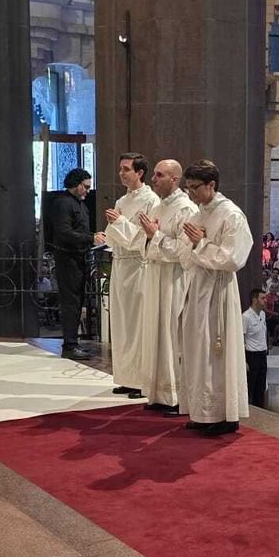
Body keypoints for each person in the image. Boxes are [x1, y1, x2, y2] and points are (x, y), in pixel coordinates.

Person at [156, 159, 252, 436]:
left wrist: (201, 243)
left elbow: (234, 258)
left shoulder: (231, 215)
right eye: (188, 188)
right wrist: (194, 246)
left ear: (212, 185)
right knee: (196, 352)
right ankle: (202, 411)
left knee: (215, 353)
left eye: (195, 187)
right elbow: (184, 255)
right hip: (196, 287)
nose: (191, 193)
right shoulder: (198, 215)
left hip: (218, 292)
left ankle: (224, 416)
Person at [136, 159, 199, 413]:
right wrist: (149, 238)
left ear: (175, 179)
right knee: (155, 333)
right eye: (154, 174)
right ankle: (158, 394)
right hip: (155, 276)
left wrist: (155, 236)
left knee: (172, 336)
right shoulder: (157, 206)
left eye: (159, 175)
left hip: (174, 279)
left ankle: (176, 397)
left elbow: (183, 251)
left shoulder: (187, 209)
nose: (153, 179)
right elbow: (145, 242)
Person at [97, 153, 157, 398]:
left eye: (126, 169)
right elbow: (115, 236)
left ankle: (142, 382)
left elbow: (144, 238)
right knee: (121, 325)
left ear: (139, 173)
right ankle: (127, 377)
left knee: (138, 325)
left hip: (138, 266)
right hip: (120, 265)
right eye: (120, 168)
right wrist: (106, 233)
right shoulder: (122, 200)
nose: (121, 173)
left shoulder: (151, 201)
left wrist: (120, 222)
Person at [44, 168, 95, 360]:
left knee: (77, 301)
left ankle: (73, 343)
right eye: (86, 187)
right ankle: (70, 345)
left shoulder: (78, 203)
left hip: (78, 257)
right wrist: (91, 238)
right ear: (77, 184)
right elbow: (64, 232)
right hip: (67, 259)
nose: (88, 191)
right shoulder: (63, 203)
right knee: (71, 302)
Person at [243, 288, 268, 407]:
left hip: (262, 354)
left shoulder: (263, 314)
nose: (265, 300)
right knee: (250, 386)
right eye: (262, 298)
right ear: (254, 300)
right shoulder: (246, 317)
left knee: (261, 386)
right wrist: (244, 360)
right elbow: (241, 338)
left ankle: (260, 409)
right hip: (252, 356)